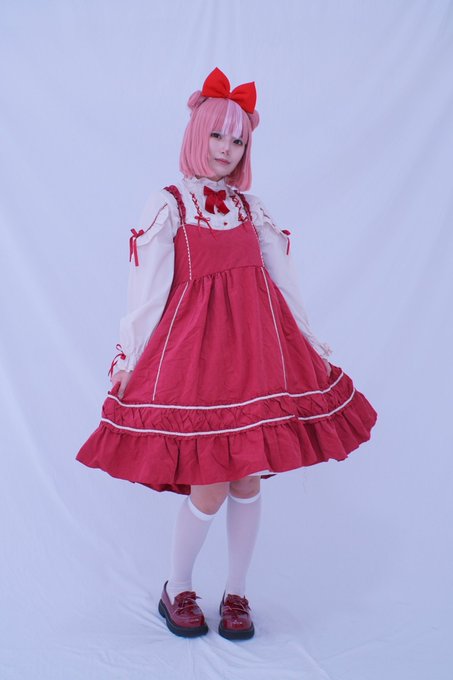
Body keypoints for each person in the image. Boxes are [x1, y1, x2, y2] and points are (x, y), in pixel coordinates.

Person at [76, 67, 377, 640]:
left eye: (238, 140)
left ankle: (237, 592)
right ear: (197, 133)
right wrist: (128, 360)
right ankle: (177, 586)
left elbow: (284, 284)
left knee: (247, 481)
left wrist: (312, 346)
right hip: (197, 359)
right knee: (210, 483)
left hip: (257, 355)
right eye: (217, 134)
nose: (226, 148)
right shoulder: (170, 204)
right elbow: (147, 293)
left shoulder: (251, 209)